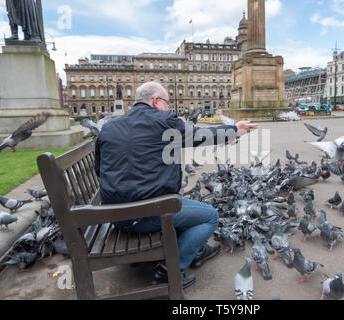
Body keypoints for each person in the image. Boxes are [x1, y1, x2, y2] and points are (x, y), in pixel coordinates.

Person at [95, 82, 258, 289]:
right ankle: (169, 272)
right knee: (210, 216)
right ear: (156, 101)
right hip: (144, 215)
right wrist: (235, 128)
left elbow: (99, 170)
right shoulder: (163, 120)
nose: (169, 108)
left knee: (180, 202)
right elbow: (200, 136)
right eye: (167, 103)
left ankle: (195, 251)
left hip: (114, 216)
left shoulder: (109, 125)